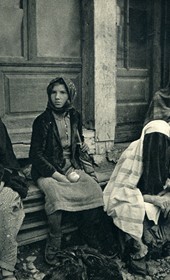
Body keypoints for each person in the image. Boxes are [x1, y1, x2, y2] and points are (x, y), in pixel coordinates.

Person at [29, 77, 115, 265]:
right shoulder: (42, 121)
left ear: (69, 95)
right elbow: (35, 156)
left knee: (94, 191)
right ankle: (54, 244)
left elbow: (77, 141)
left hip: (71, 166)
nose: (57, 97)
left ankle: (88, 235)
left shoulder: (74, 116)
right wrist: (59, 176)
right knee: (56, 198)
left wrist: (81, 147)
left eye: (62, 92)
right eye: (53, 92)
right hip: (47, 170)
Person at [103, 84, 170, 275]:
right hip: (137, 199)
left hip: (158, 198)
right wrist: (154, 199)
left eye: (162, 142)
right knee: (130, 207)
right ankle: (137, 253)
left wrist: (167, 191)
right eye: (154, 141)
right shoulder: (134, 152)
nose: (157, 146)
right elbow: (122, 191)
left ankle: (159, 242)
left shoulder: (167, 152)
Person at [0, 119, 28, 280]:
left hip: (2, 177)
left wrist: (2, 180)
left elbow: (7, 161)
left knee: (5, 204)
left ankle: (7, 267)